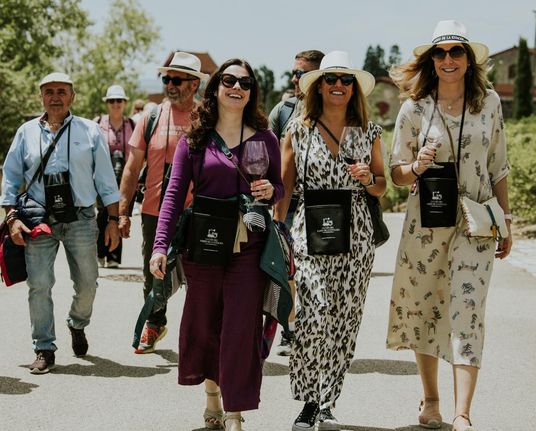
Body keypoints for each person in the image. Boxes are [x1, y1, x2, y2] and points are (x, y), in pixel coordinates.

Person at [386, 20, 511, 431]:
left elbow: (499, 166)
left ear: (469, 60)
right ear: (430, 61)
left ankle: (463, 414)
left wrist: (505, 220)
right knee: (424, 306)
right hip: (425, 225)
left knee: (467, 309)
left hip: (475, 224)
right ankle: (431, 400)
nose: (448, 59)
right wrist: (416, 165)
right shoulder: (414, 108)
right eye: (440, 53)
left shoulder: (489, 103)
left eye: (456, 52)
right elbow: (397, 174)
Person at [150, 58, 284, 431]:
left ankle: (235, 413)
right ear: (216, 88)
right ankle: (212, 398)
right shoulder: (194, 140)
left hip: (249, 245)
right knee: (205, 325)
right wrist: (160, 245)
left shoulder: (264, 138)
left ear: (251, 91)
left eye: (245, 82)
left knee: (241, 329)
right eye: (229, 80)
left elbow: (280, 187)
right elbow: (174, 195)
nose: (237, 87)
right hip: (205, 245)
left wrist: (272, 190)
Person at [273, 51, 385, 430]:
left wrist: (368, 178)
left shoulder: (369, 132)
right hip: (311, 229)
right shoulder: (298, 130)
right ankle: (307, 399)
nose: (339, 85)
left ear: (355, 88)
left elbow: (382, 187)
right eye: (331, 78)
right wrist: (278, 232)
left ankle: (327, 402)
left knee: (345, 320)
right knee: (312, 316)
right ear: (318, 86)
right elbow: (285, 187)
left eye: (346, 79)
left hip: (356, 234)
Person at [0, 72, 121, 375]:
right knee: (39, 284)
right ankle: (44, 347)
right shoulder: (26, 132)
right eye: (49, 91)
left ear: (73, 96)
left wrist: (114, 220)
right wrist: (12, 218)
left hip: (80, 217)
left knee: (88, 283)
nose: (56, 96)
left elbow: (106, 180)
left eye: (62, 91)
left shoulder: (90, 131)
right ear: (41, 96)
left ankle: (77, 323)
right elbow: (11, 177)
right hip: (40, 219)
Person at [117, 51, 207, 354]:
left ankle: (197, 335)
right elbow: (132, 166)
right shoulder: (151, 117)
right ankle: (155, 323)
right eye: (166, 78)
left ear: (193, 84)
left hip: (197, 213)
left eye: (176, 79)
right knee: (152, 274)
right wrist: (123, 212)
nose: (169, 84)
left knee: (199, 276)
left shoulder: (206, 117)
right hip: (156, 211)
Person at [266, 49, 324, 357]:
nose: (294, 78)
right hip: (288, 204)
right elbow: (268, 156)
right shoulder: (283, 110)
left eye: (300, 73)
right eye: (294, 72)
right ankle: (290, 331)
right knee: (288, 270)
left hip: (322, 206)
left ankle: (313, 327)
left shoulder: (334, 107)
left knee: (315, 272)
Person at [94, 85, 135, 268]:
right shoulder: (97, 123)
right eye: (112, 101)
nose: (116, 104)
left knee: (119, 214)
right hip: (101, 176)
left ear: (125, 103)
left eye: (119, 100)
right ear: (106, 103)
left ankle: (114, 257)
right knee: (103, 214)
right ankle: (100, 252)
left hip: (124, 177)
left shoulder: (132, 125)